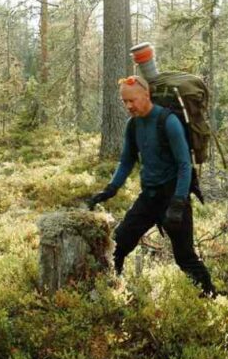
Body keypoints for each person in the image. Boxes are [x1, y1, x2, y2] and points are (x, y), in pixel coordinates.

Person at [89, 76, 216, 296]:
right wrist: (110, 189)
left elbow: (185, 165)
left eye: (132, 100)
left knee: (185, 258)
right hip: (149, 197)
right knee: (118, 246)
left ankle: (211, 295)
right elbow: (127, 160)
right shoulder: (133, 125)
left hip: (173, 196)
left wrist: (178, 202)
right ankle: (112, 292)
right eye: (124, 102)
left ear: (146, 95)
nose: (128, 106)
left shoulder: (168, 121)